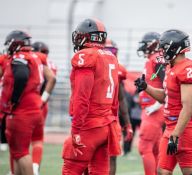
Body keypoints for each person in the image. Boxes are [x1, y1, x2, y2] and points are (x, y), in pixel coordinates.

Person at [135, 29, 192, 175]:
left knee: (189, 171)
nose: (161, 52)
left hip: (184, 127)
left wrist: (176, 134)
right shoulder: (170, 67)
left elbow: (188, 107)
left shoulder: (188, 68)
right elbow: (166, 97)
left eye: (164, 48)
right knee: (163, 171)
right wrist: (146, 87)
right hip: (172, 127)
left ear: (174, 48)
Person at [62, 18, 120, 175]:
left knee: (70, 170)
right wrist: (113, 122)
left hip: (89, 125)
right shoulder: (111, 57)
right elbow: (115, 98)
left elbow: (82, 97)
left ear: (87, 37)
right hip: (106, 125)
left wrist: (75, 129)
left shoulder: (86, 56)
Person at [0, 30, 56, 175]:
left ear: (16, 43)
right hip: (34, 108)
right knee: (18, 152)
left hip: (22, 110)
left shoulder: (20, 57)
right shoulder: (35, 57)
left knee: (21, 153)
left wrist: (14, 100)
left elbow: (21, 76)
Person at [136, 32, 165, 175]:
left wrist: (158, 104)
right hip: (151, 108)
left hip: (154, 109)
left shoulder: (157, 58)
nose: (143, 47)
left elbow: (167, 83)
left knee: (144, 146)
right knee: (155, 149)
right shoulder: (153, 59)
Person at [104, 39, 133, 175]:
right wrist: (127, 124)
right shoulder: (119, 68)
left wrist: (127, 123)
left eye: (112, 51)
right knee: (111, 158)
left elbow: (121, 99)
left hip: (100, 119)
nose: (110, 54)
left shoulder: (92, 63)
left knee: (103, 158)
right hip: (110, 120)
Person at [31, 41, 57, 175]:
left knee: (21, 140)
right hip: (42, 104)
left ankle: (15, 170)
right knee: (37, 139)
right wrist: (42, 100)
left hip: (27, 104)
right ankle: (35, 169)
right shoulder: (50, 63)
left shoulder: (31, 59)